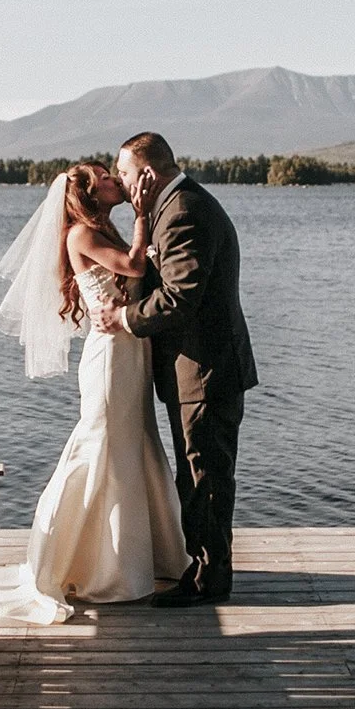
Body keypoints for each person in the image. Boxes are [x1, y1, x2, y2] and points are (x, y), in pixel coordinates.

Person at [0, 161, 189, 623]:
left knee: (134, 445)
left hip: (131, 350)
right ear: (86, 191)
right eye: (105, 176)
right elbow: (135, 265)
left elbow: (140, 275)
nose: (114, 180)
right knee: (102, 447)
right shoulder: (80, 234)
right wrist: (142, 212)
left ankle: (146, 556)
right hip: (111, 357)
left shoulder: (105, 228)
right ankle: (82, 562)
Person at [93, 131, 258, 606]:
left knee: (205, 473)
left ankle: (209, 579)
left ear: (146, 173)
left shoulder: (184, 210)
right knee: (198, 472)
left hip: (204, 370)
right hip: (196, 369)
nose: (120, 182)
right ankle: (207, 566)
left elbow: (180, 298)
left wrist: (121, 317)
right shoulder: (172, 207)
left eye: (122, 172)